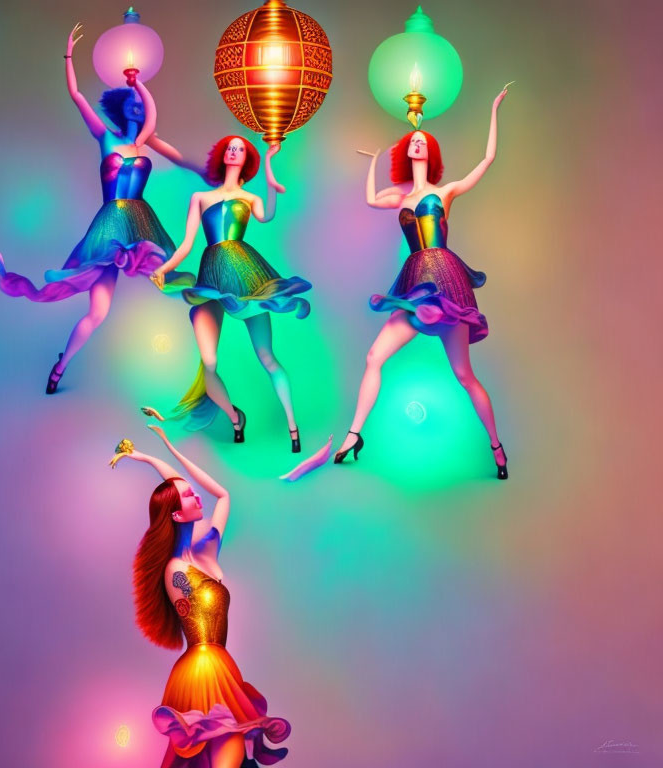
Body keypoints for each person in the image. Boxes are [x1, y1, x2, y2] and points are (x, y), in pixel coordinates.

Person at [0, 23, 201, 394]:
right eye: (130, 101)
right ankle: (61, 366)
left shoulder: (146, 140)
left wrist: (139, 83)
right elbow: (76, 95)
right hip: (108, 229)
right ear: (120, 109)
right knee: (97, 313)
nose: (136, 105)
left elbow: (151, 117)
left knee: (175, 285)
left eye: (137, 102)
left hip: (141, 226)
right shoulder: (106, 137)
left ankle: (204, 369)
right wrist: (69, 54)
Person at [335, 87, 511, 479]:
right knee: (373, 357)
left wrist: (494, 108)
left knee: (464, 375)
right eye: (412, 141)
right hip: (415, 284)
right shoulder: (399, 195)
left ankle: (496, 447)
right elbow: (369, 199)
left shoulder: (445, 192)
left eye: (422, 142)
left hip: (446, 281)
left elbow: (487, 159)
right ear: (406, 152)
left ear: (430, 153)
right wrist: (374, 162)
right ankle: (353, 435)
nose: (417, 144)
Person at [110, 427, 291, 767]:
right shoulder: (175, 570)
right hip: (202, 669)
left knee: (223, 752)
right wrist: (161, 464)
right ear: (178, 515)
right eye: (189, 498)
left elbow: (223, 495)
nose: (197, 497)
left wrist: (159, 452)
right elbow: (183, 495)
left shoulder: (205, 553)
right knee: (226, 747)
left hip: (220, 664)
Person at [149, 136, 311, 453]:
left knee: (267, 357)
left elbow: (267, 215)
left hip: (247, 275)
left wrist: (270, 171)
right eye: (230, 147)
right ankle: (235, 417)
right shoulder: (200, 197)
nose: (234, 151)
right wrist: (164, 269)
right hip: (211, 277)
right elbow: (185, 245)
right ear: (223, 155)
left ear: (245, 158)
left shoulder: (249, 198)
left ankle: (293, 426)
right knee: (208, 362)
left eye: (240, 148)